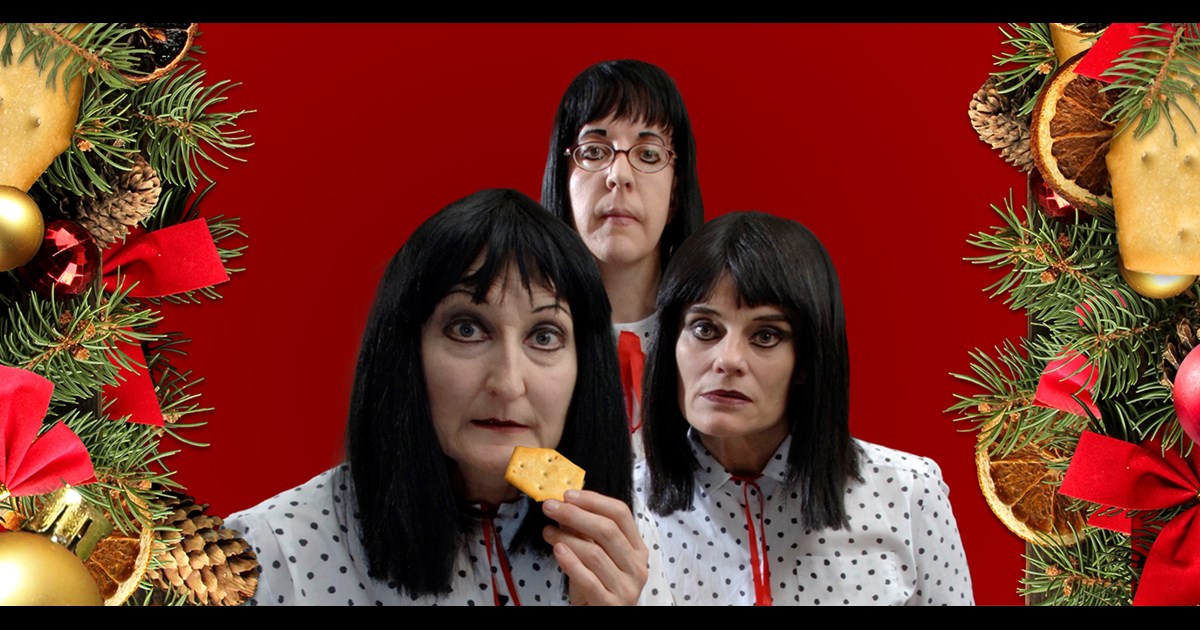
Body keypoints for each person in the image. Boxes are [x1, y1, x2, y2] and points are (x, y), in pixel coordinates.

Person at [224, 189, 670, 605]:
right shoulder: (266, 550)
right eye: (467, 329)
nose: (508, 383)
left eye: (544, 336)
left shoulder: (624, 542)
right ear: (406, 351)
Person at [637, 212, 973, 605]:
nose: (727, 360)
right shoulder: (624, 505)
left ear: (807, 361)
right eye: (705, 329)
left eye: (765, 335)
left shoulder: (908, 491)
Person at [542, 59, 704, 460]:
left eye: (648, 154)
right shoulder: (522, 334)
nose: (619, 175)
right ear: (563, 178)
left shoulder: (718, 338)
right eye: (594, 151)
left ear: (676, 192)